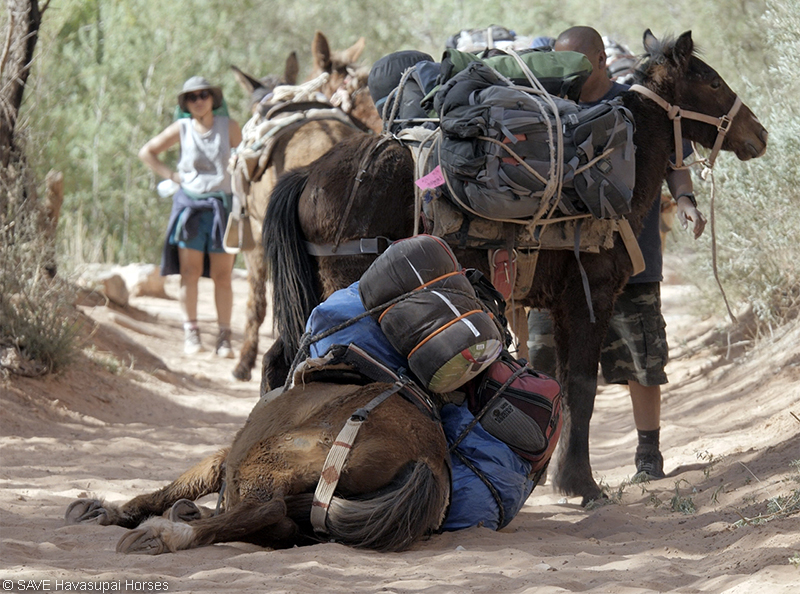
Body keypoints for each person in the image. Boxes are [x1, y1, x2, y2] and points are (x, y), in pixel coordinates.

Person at [527, 26, 707, 480]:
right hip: (561, 267)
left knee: (641, 357)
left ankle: (648, 456)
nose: (568, 75)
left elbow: (676, 164)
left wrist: (685, 202)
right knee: (544, 361)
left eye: (578, 66)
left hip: (630, 258)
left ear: (602, 60)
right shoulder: (550, 107)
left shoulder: (641, 106)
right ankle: (546, 459)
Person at [139, 76, 243, 357]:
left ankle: (224, 338)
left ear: (213, 98)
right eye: (192, 97)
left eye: (203, 95)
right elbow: (147, 152)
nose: (198, 101)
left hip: (223, 207)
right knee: (190, 273)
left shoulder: (229, 127)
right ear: (185, 103)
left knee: (223, 275)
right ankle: (192, 333)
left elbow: (247, 158)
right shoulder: (182, 128)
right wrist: (172, 176)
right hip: (190, 207)